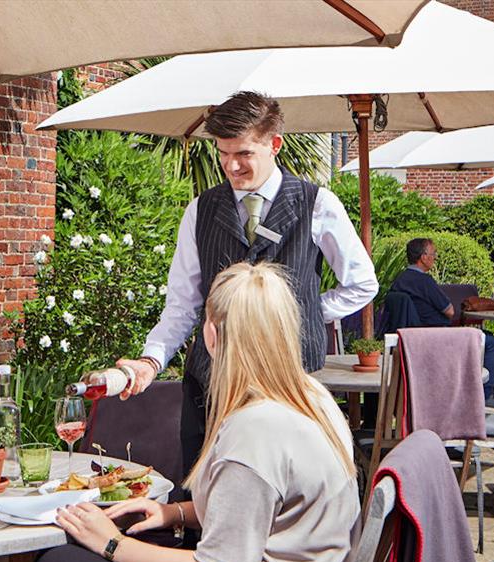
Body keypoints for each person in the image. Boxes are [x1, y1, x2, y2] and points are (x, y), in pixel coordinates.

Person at [35, 263, 360, 562]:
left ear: (212, 335)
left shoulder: (255, 430)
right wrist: (173, 513)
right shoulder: (313, 396)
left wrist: (111, 543)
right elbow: (262, 508)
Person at [114, 91, 378, 465]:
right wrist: (151, 360)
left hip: (288, 385)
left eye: (243, 154)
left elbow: (363, 283)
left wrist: (304, 311)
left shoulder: (317, 204)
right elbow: (182, 305)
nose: (231, 166)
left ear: (275, 145)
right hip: (212, 389)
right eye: (223, 154)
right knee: (203, 499)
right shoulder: (200, 210)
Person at [387, 237, 494, 414]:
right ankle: (486, 397)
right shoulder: (424, 281)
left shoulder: (400, 279)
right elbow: (449, 311)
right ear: (423, 257)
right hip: (437, 337)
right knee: (493, 344)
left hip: (414, 338)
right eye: (433, 254)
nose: (435, 258)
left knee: (486, 338)